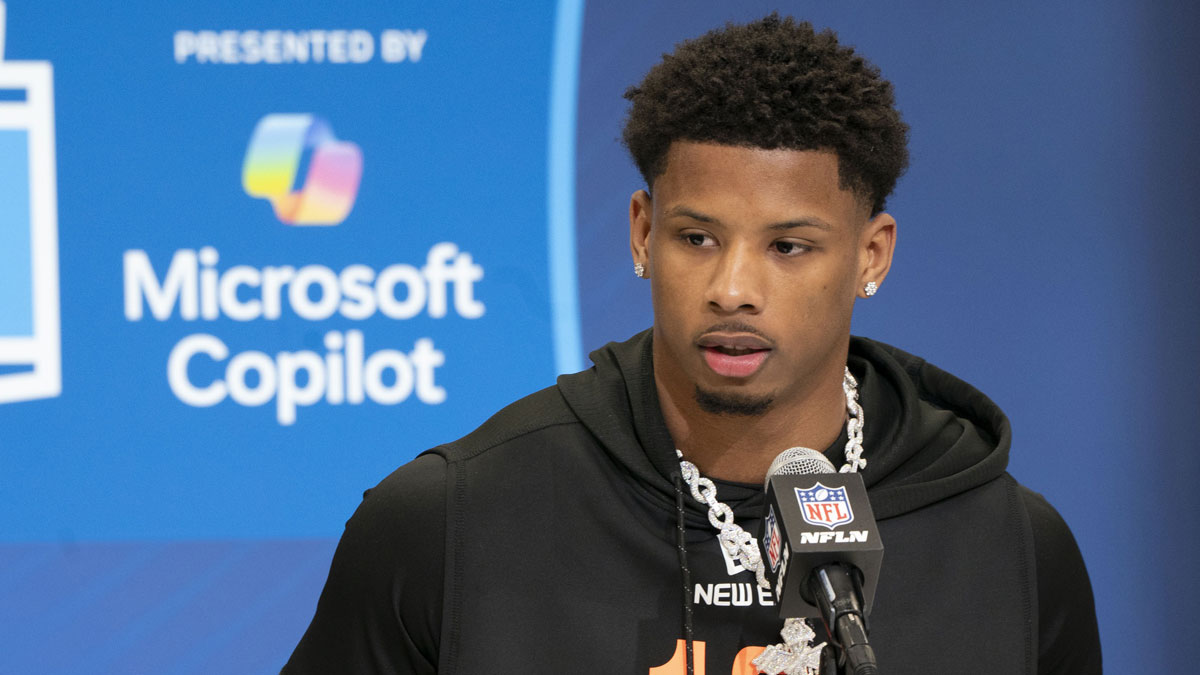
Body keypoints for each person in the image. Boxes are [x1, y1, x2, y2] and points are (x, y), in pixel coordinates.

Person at [283, 14, 1101, 674]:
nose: (732, 287)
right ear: (642, 233)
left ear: (871, 256)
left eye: (789, 246)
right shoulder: (449, 525)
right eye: (698, 237)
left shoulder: (1011, 549)